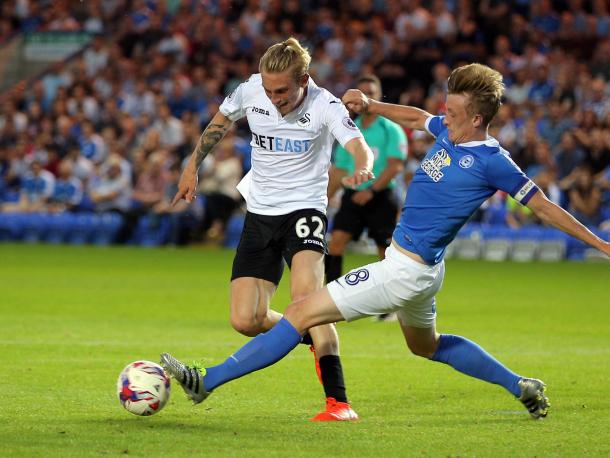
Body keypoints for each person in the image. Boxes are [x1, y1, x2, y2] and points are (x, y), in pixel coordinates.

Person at [161, 63, 610, 420]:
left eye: (452, 114)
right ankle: (520, 385)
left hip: (403, 271)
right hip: (424, 271)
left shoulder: (495, 163)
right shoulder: (451, 134)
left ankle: (207, 381)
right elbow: (418, 118)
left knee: (299, 312)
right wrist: (373, 103)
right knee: (426, 346)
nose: (443, 119)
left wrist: (602, 245)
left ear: (477, 118)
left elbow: (546, 207)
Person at [170, 38, 374, 421]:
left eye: (282, 90)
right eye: (268, 90)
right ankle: (311, 336)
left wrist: (363, 164)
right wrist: (191, 166)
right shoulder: (250, 90)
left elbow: (358, 143)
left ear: (304, 79)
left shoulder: (324, 104)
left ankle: (339, 402)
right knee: (245, 320)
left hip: (305, 212)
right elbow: (219, 123)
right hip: (260, 212)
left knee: (307, 302)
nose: (274, 97)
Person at [326, 74, 407, 322]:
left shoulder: (391, 128)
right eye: (360, 92)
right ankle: (332, 301)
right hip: (353, 194)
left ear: (377, 95)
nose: (363, 97)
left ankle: (389, 305)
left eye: (369, 92)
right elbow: (340, 169)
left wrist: (371, 190)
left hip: (381, 194)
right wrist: (324, 199)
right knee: (336, 242)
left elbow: (395, 166)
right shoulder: (349, 129)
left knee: (384, 252)